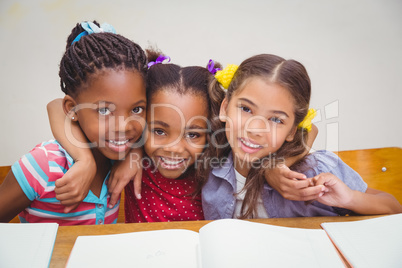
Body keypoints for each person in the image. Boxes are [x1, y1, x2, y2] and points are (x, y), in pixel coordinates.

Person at [47, 52, 321, 222]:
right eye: (159, 130)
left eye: (193, 133)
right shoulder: (127, 155)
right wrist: (89, 159)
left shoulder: (217, 158)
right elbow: (56, 107)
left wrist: (272, 166)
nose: (175, 148)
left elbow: (309, 130)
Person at [202, 53, 402, 219]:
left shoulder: (315, 170)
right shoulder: (207, 165)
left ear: (292, 131)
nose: (255, 129)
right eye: (246, 109)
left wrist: (349, 198)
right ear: (225, 107)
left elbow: (393, 207)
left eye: (276, 120)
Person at [0, 20, 148, 224]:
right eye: (105, 110)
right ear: (72, 109)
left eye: (136, 109)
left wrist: (137, 153)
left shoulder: (121, 158)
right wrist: (84, 160)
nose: (124, 126)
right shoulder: (43, 165)